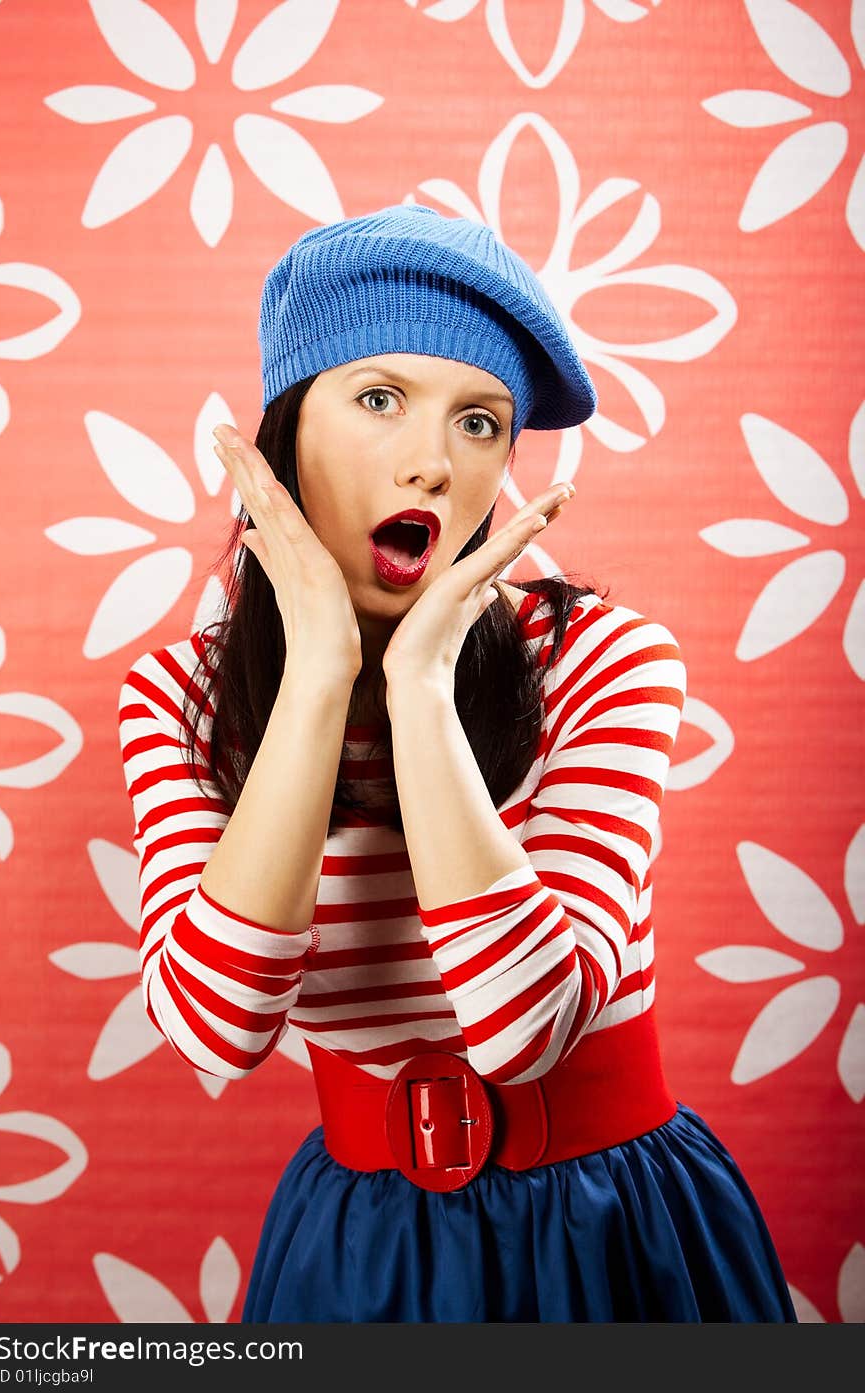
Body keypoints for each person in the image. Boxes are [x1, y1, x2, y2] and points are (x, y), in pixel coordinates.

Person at [117, 203, 798, 1323]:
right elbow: (217, 1026)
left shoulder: (607, 658)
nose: (431, 462)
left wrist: (420, 690)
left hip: (613, 1226)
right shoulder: (183, 704)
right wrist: (322, 674)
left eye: (480, 423)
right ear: (286, 431)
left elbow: (528, 1025)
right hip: (356, 1252)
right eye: (378, 399)